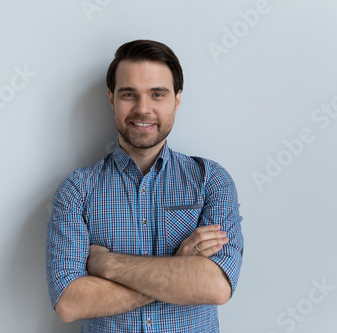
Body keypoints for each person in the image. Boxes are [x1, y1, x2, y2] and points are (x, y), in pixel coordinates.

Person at [45, 39, 244, 332]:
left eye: (157, 94)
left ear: (177, 99)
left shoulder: (210, 180)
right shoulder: (76, 190)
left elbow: (215, 285)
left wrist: (107, 265)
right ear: (112, 98)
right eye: (129, 94)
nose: (143, 109)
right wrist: (178, 269)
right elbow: (70, 303)